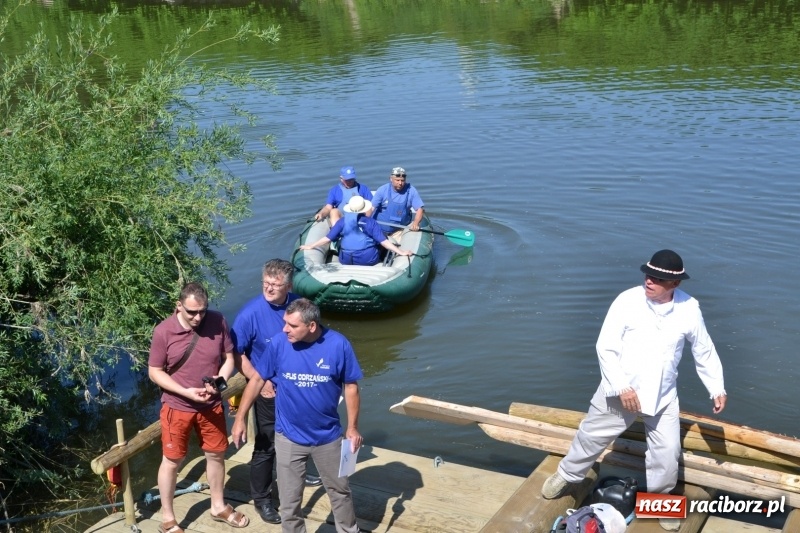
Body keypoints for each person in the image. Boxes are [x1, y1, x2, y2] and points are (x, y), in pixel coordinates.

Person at [541, 250, 727, 532]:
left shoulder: (690, 309)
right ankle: (568, 475)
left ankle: (660, 503)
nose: (649, 281)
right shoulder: (627, 300)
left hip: (663, 396)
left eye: (657, 278)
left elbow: (704, 349)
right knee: (591, 436)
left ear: (674, 284)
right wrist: (621, 386)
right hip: (619, 392)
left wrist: (716, 387)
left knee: (666, 453)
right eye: (648, 275)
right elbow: (605, 347)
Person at [231, 298, 364, 533]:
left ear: (312, 326)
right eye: (284, 323)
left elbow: (351, 387)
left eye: (292, 326)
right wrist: (240, 418)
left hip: (328, 438)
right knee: (290, 501)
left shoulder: (338, 345)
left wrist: (352, 427)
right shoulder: (279, 344)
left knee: (340, 492)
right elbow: (258, 379)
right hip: (288, 438)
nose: (284, 330)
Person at [148, 282, 248, 533]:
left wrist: (219, 382)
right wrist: (184, 391)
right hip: (177, 405)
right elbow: (154, 372)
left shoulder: (218, 321)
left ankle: (218, 506)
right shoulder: (163, 331)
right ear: (178, 305)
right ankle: (168, 518)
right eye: (191, 312)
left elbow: (228, 359)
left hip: (211, 405)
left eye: (202, 311)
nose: (197, 317)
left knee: (216, 454)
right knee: (172, 460)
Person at [230, 258, 311, 525]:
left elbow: (314, 338)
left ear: (288, 285)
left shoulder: (300, 306)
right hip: (269, 390)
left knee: (300, 436)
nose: (269, 288)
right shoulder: (250, 314)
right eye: (265, 283)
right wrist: (259, 380)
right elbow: (235, 353)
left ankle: (300, 473)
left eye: (275, 285)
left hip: (298, 387)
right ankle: (262, 500)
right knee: (267, 446)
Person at [301, 196, 412, 266]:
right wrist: (401, 252)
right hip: (367, 259)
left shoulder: (342, 221)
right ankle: (386, 261)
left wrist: (311, 246)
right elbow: (384, 242)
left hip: (345, 259)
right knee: (382, 240)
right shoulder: (370, 223)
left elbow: (328, 238)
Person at [370, 166, 425, 233]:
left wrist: (416, 223)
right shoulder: (382, 190)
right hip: (380, 229)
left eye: (402, 180)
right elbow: (372, 208)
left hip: (401, 229)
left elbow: (420, 209)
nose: (400, 183)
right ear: (391, 179)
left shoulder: (411, 190)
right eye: (397, 180)